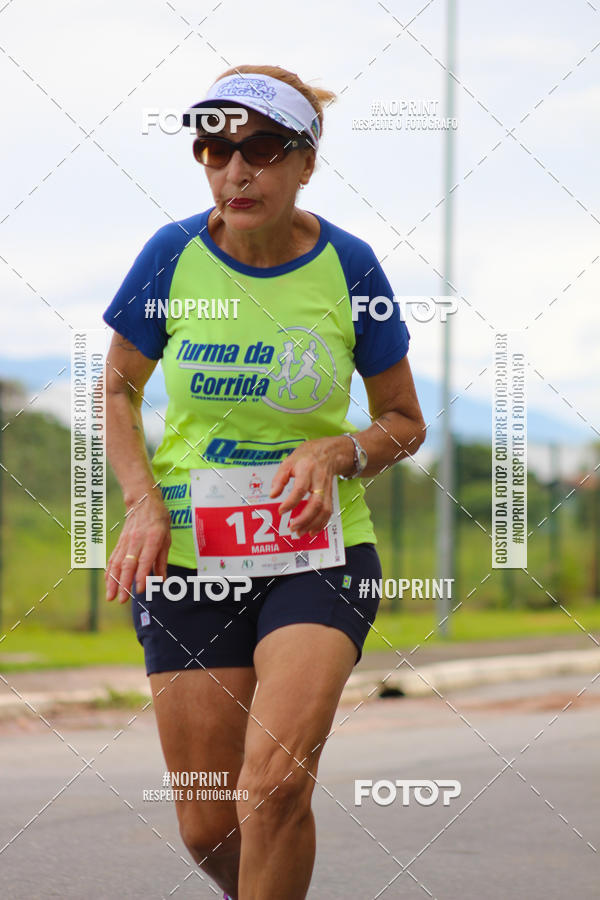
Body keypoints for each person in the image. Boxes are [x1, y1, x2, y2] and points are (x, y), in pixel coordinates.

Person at [103, 64, 426, 900]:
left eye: (263, 148)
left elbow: (403, 420)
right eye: (216, 148)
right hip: (188, 557)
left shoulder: (350, 266)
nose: (237, 170)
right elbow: (118, 389)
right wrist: (142, 503)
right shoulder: (171, 256)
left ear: (306, 162)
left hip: (319, 553)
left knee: (275, 787)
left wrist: (338, 451)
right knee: (210, 823)